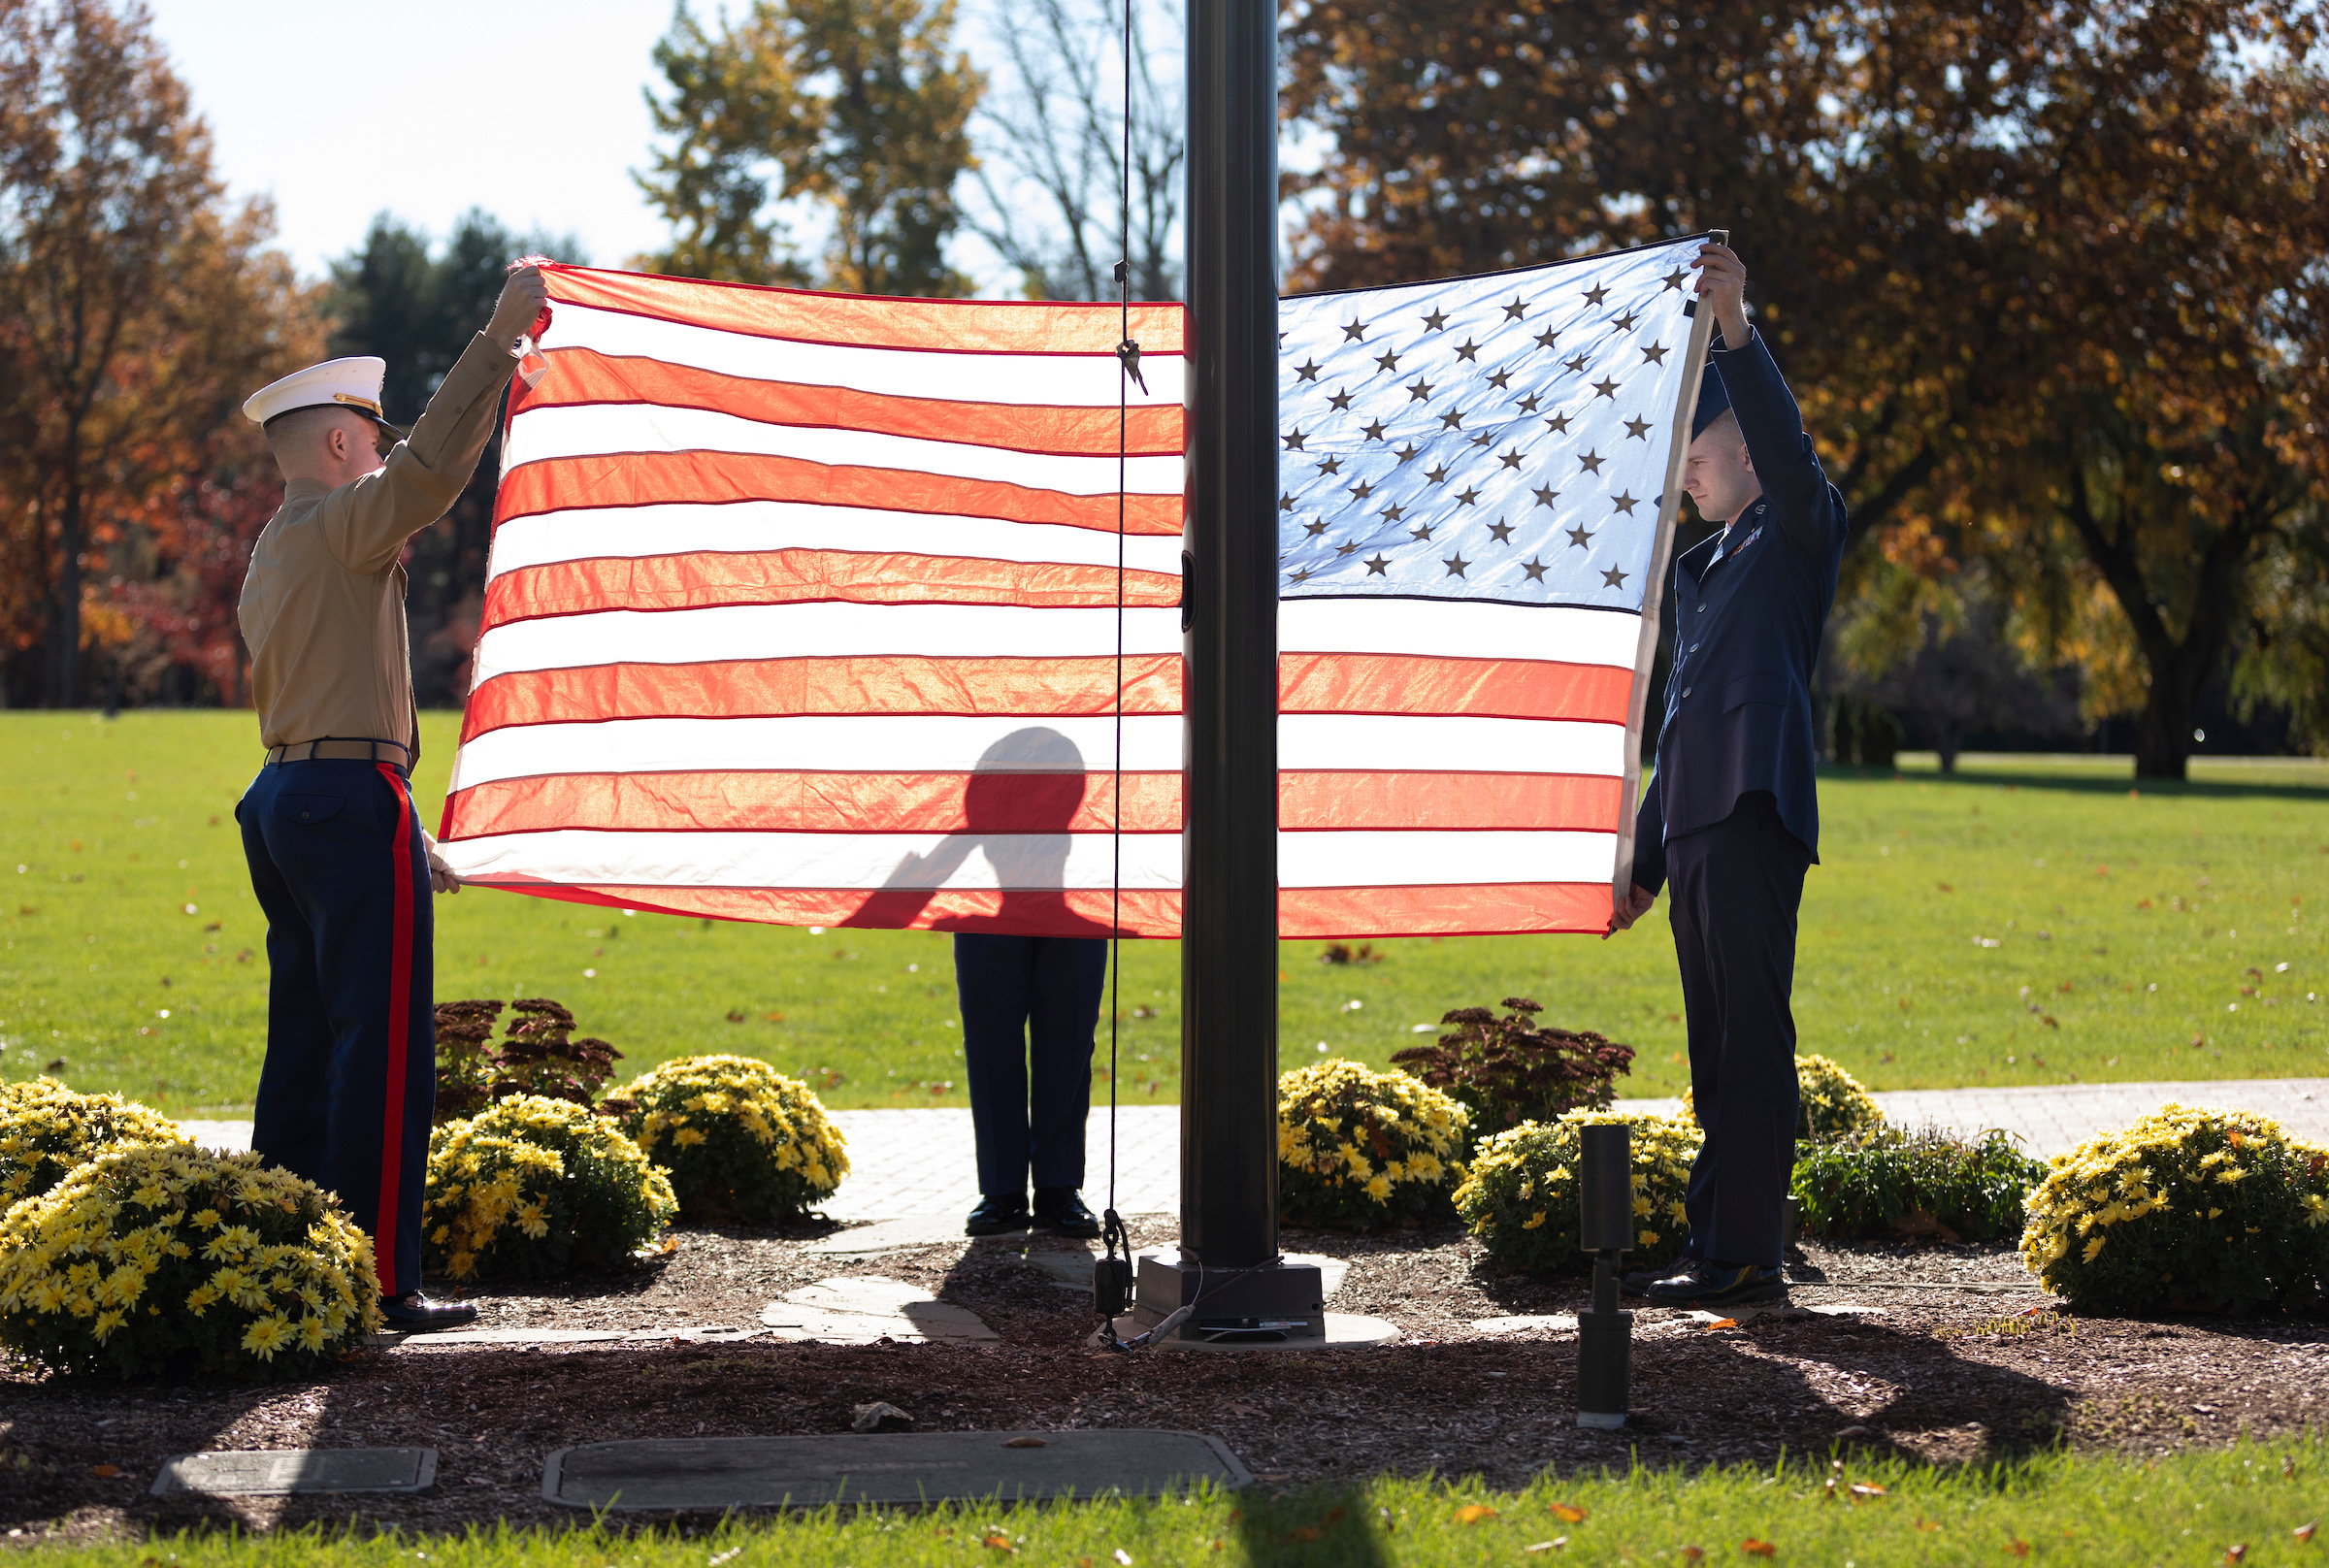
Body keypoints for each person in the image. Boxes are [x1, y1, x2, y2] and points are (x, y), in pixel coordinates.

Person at [234, 266, 547, 1330]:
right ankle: (378, 1277)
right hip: (343, 796)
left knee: (308, 1044)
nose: (381, 456)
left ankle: (288, 1255)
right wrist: (502, 339)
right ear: (337, 446)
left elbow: (322, 699)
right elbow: (431, 471)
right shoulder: (336, 524)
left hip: (285, 799)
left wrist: (406, 825)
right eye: (370, 440)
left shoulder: (274, 550)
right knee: (385, 1049)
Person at [1604, 241, 1847, 1309]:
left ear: (1742, 443)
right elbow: (1680, 733)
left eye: (1692, 448)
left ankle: (1744, 1254)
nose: (1681, 469)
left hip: (1753, 812)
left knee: (1750, 1038)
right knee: (1715, 1048)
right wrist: (1644, 863)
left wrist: (1736, 326)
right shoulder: (1701, 575)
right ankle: (1726, 1243)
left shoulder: (1798, 529)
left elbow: (1792, 453)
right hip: (1699, 823)